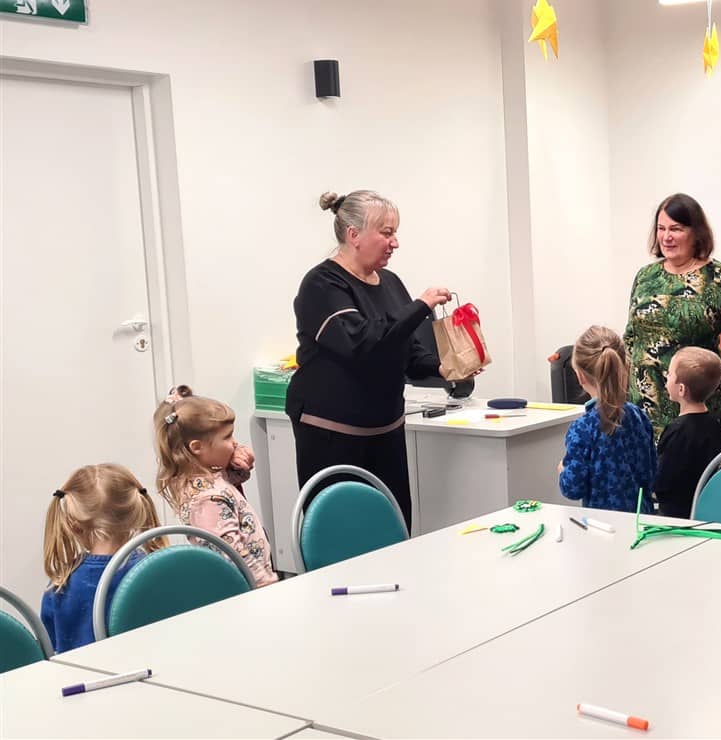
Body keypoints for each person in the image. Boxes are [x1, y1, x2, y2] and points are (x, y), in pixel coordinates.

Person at [286, 190, 458, 529]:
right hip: (332, 436)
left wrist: (443, 368)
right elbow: (363, 343)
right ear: (354, 235)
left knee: (392, 528)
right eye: (387, 233)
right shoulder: (322, 284)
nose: (395, 243)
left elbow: (406, 348)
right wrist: (420, 306)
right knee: (341, 533)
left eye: (395, 233)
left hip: (386, 431)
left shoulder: (390, 282)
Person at [624, 193, 721, 442]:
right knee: (647, 468)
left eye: (676, 229)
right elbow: (630, 338)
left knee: (698, 466)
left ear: (696, 233)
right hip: (643, 407)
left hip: (696, 408)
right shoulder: (645, 276)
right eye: (661, 228)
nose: (666, 237)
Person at [154, 386, 277, 586]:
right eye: (227, 437)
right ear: (197, 447)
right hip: (247, 588)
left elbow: (231, 482)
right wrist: (265, 583)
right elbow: (233, 554)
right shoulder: (206, 501)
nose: (234, 443)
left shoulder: (206, 475)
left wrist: (239, 463)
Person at [41, 464, 166, 653]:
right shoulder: (153, 571)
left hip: (80, 672)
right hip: (149, 668)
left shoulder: (60, 584)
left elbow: (50, 646)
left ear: (74, 525)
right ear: (136, 514)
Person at [558, 326, 658, 511]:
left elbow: (572, 489)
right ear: (624, 367)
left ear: (580, 376)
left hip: (600, 524)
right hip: (641, 519)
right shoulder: (639, 416)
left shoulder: (582, 428)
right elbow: (651, 474)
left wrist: (563, 471)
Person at [654, 347, 721, 518]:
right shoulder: (715, 426)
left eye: (669, 374)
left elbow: (662, 482)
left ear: (681, 389)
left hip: (674, 515)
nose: (666, 376)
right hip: (703, 508)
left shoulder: (676, 431)